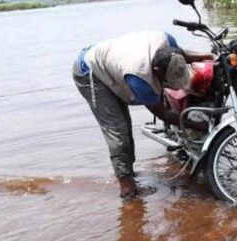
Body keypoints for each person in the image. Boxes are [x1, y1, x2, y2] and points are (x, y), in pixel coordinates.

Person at [72, 30, 213, 200]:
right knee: (118, 129)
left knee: (124, 125)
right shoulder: (140, 77)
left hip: (113, 58)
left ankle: (129, 172)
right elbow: (165, 114)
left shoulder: (167, 41)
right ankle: (127, 189)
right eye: (167, 81)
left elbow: (182, 54)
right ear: (156, 71)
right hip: (89, 71)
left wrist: (210, 56)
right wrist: (197, 125)